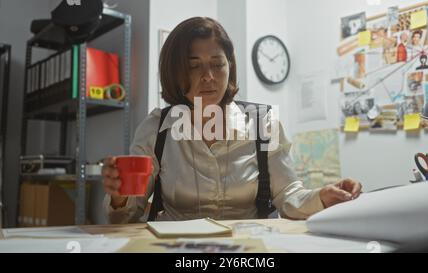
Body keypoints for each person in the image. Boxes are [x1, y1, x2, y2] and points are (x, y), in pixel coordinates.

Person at [102, 17, 362, 223]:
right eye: (194, 66)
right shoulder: (156, 128)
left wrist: (323, 197)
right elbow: (127, 215)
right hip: (175, 248)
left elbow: (288, 195)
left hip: (247, 250)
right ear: (175, 70)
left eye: (217, 64)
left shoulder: (263, 123)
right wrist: (118, 197)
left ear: (230, 66)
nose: (208, 76)